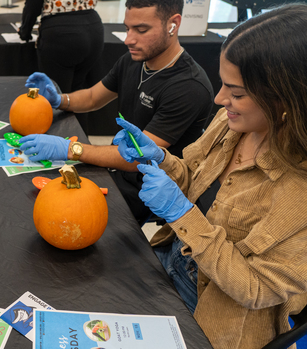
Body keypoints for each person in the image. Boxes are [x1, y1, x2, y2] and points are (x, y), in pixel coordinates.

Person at [114, 3, 307, 347]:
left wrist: (181, 214)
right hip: (171, 256)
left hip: (216, 312)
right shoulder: (232, 123)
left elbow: (255, 289)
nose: (219, 99)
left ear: (288, 99)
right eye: (224, 85)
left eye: (237, 93)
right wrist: (160, 158)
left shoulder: (299, 189)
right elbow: (192, 178)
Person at [20, 0, 214, 226]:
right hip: (117, 170)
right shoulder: (134, 60)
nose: (128, 40)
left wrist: (71, 149)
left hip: (148, 188)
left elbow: (137, 158)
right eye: (127, 29)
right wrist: (60, 99)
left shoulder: (188, 87)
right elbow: (93, 97)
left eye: (141, 30)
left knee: (66, 220)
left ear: (173, 24)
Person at [18, 0, 104, 132]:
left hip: (61, 32)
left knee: (55, 96)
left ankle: (59, 147)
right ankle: (81, 146)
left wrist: (25, 31)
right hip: (93, 27)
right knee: (79, 91)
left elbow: (33, 5)